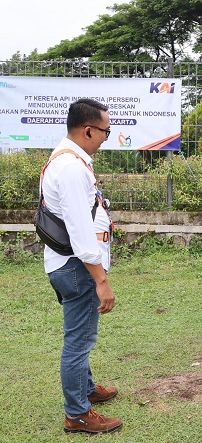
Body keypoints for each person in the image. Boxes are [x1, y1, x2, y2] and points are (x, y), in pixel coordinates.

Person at [42, 99, 122, 434]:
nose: (106, 137)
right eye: (105, 131)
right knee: (79, 340)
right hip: (77, 268)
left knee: (81, 335)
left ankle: (86, 389)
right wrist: (100, 279)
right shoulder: (72, 167)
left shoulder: (65, 159)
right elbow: (79, 229)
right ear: (88, 130)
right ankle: (77, 414)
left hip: (69, 266)